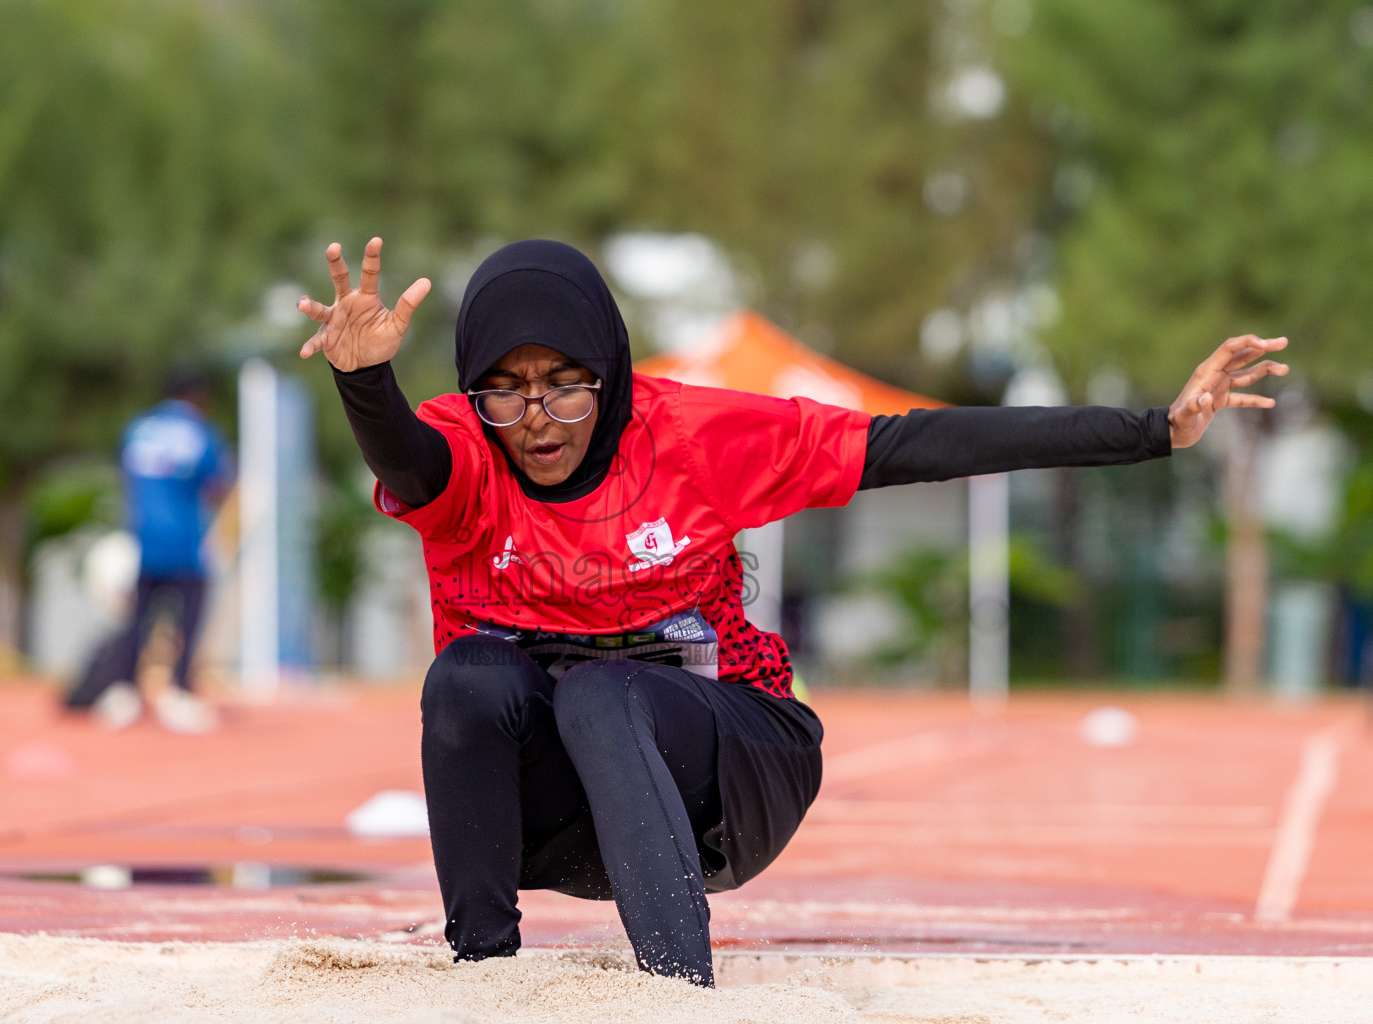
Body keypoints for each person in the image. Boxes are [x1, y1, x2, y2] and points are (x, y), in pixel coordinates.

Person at [298, 237, 1287, 986]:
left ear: (610, 367)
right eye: (505, 392)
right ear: (474, 396)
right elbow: (409, 466)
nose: (540, 418)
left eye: (566, 384)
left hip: (733, 769)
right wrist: (364, 383)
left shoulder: (695, 436)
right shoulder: (463, 455)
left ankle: (679, 991)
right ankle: (486, 976)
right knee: (467, 677)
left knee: (604, 690)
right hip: (571, 807)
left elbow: (910, 445)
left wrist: (1154, 428)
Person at [64, 367, 232, 733]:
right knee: (187, 622)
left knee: (137, 623)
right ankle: (180, 693)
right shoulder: (201, 432)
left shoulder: (137, 429)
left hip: (144, 543)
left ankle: (123, 694)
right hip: (187, 545)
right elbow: (218, 485)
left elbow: (126, 478)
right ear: (198, 396)